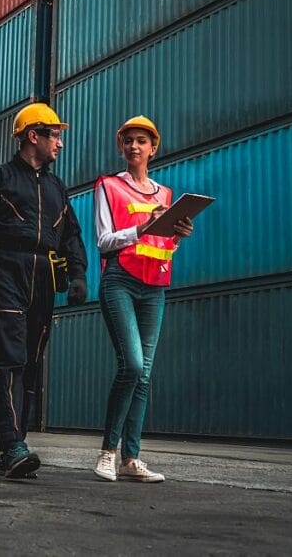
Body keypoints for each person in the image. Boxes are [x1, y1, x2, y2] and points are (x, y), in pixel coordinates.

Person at [0, 102, 88, 479]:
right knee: (8, 360)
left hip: (43, 276)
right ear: (34, 136)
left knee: (30, 364)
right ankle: (12, 445)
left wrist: (77, 275)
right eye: (56, 135)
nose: (60, 143)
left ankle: (18, 446)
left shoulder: (56, 187)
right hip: (5, 272)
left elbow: (72, 235)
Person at [92, 116, 193, 483]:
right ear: (121, 147)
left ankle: (131, 460)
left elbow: (164, 246)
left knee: (145, 376)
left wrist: (177, 234)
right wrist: (142, 227)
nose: (135, 146)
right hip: (120, 280)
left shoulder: (166, 195)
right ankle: (108, 451)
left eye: (142, 141)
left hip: (155, 286)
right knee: (132, 365)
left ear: (154, 148)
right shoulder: (107, 186)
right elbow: (103, 241)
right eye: (129, 141)